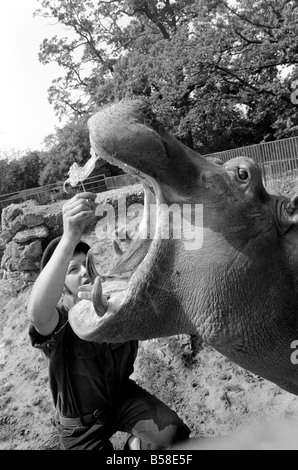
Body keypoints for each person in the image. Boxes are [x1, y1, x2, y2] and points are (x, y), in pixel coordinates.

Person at [27, 191, 190, 451]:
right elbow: (37, 313)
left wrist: (135, 258)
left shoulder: (113, 301)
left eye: (85, 264)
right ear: (59, 285)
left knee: (172, 433)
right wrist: (70, 237)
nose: (83, 272)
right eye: (72, 269)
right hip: (78, 426)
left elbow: (156, 284)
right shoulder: (56, 321)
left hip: (121, 398)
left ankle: (133, 448)